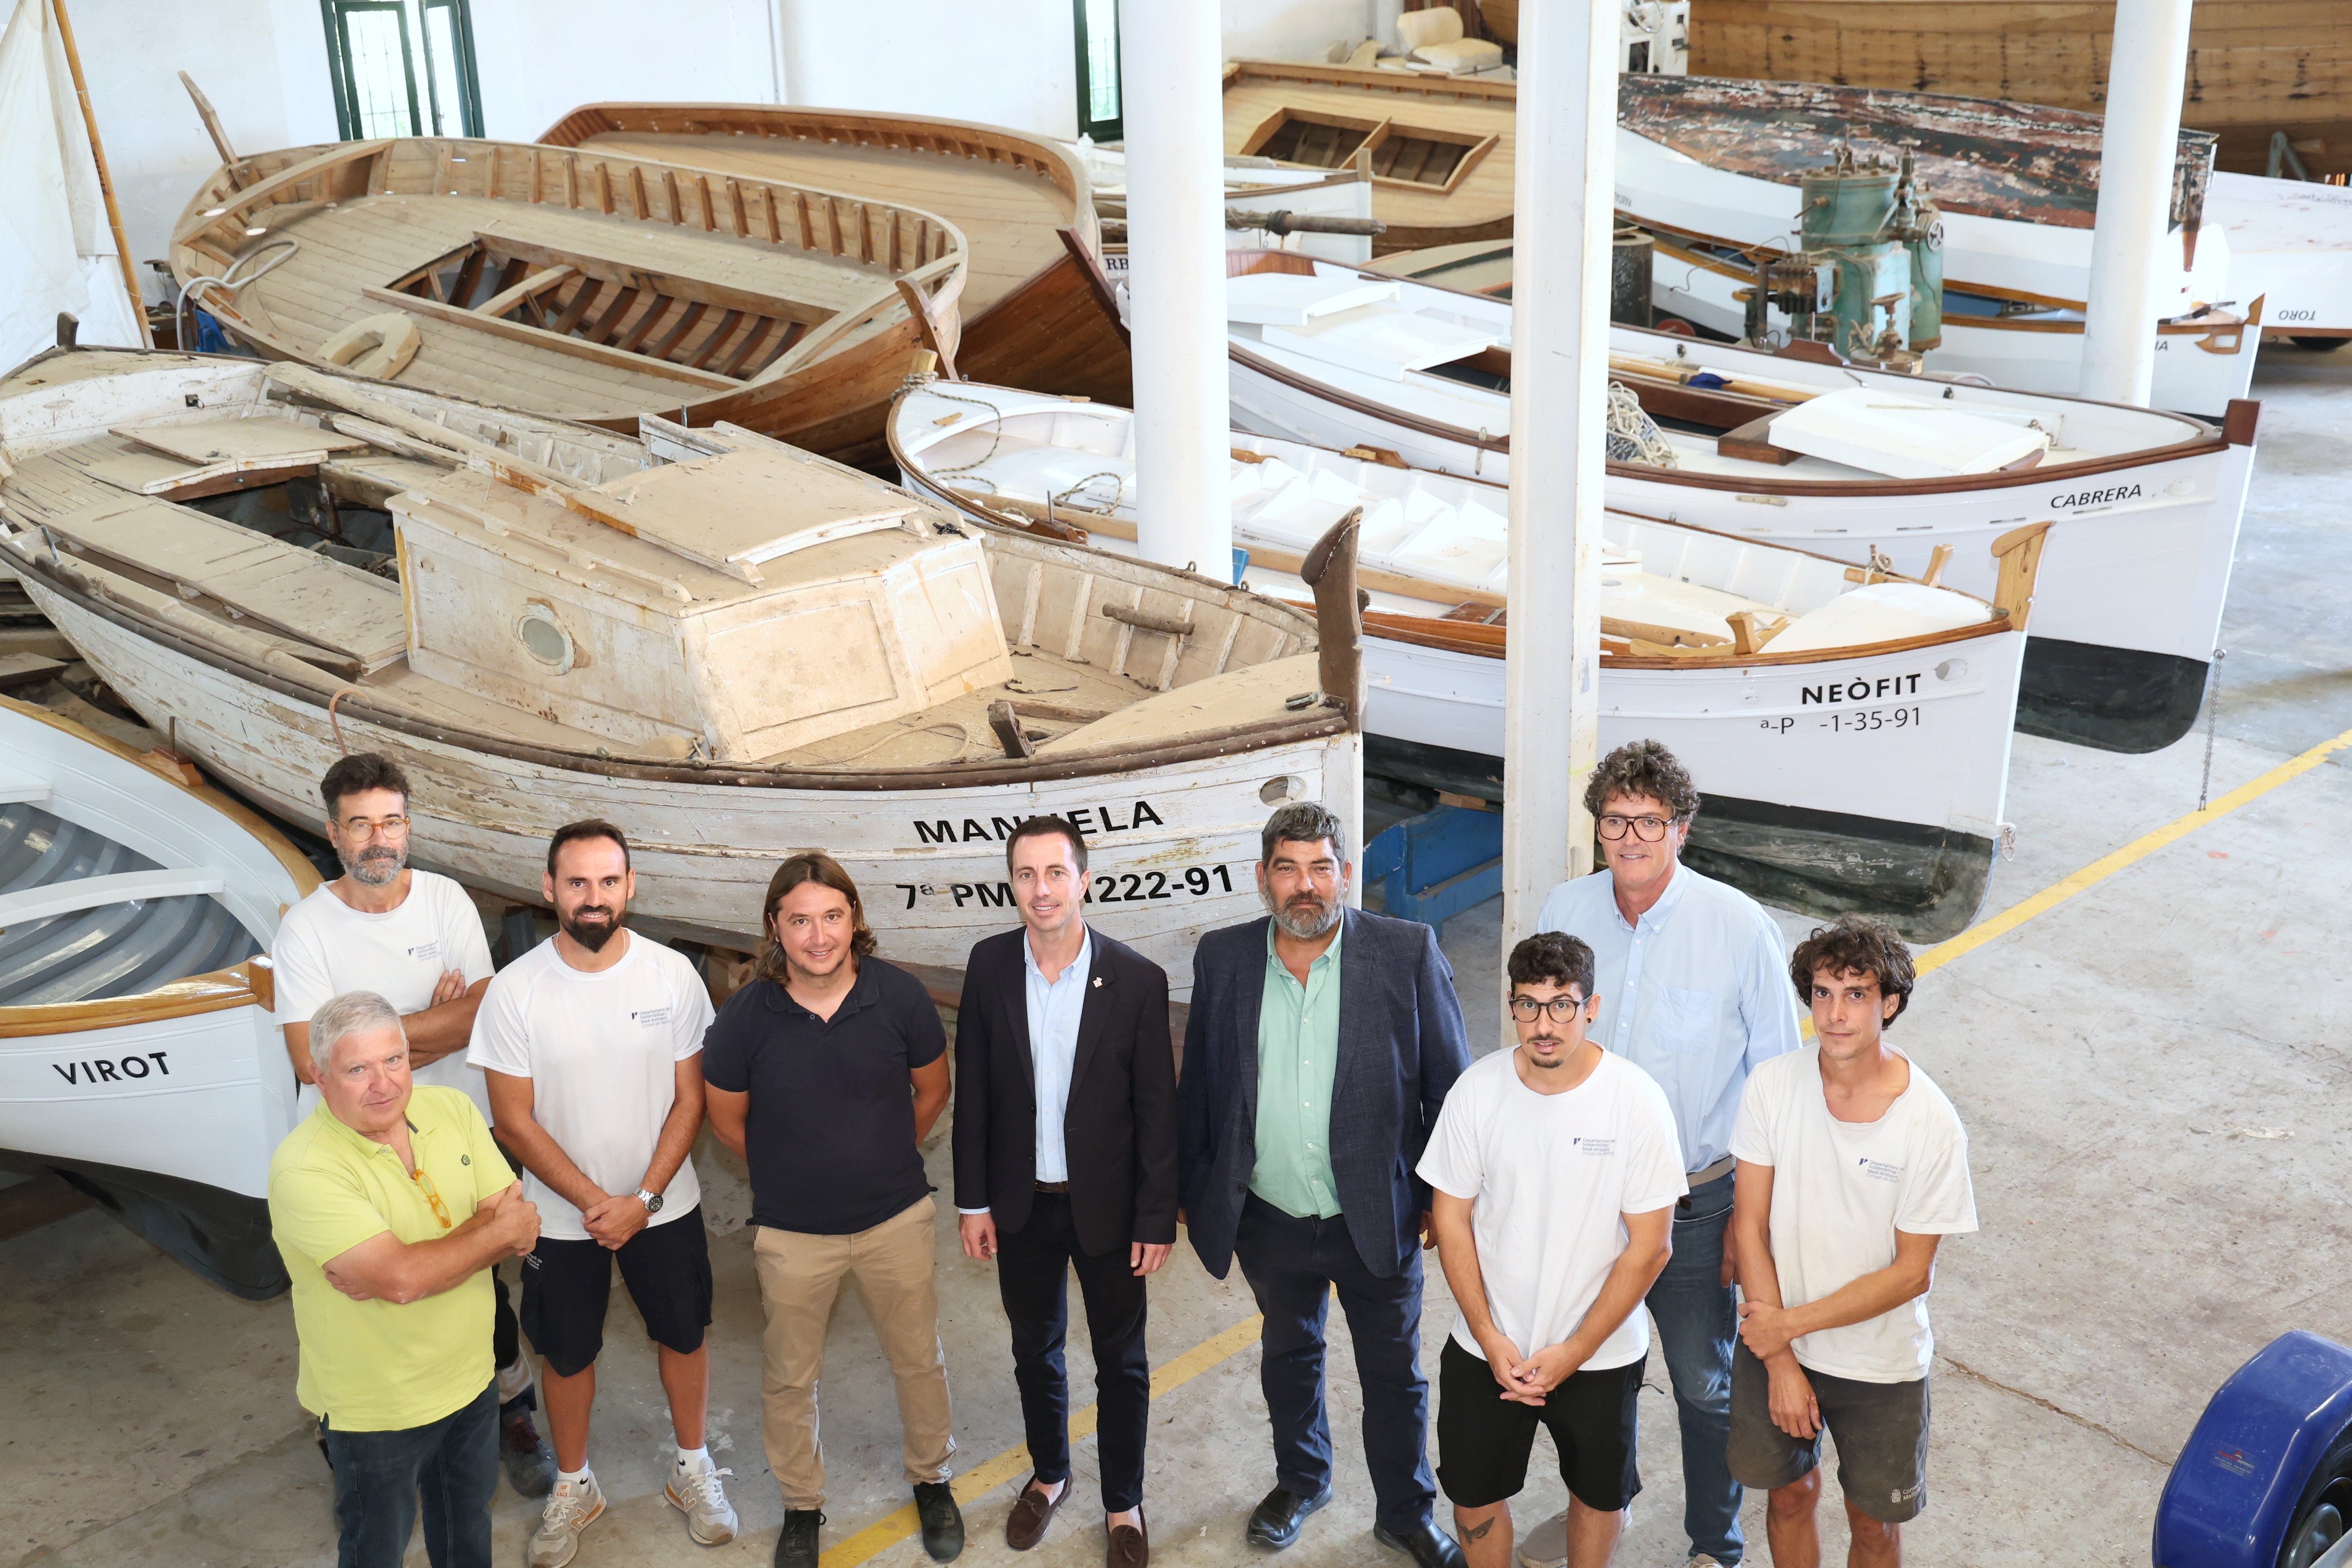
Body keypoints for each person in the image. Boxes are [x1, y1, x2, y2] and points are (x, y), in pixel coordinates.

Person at [1524, 739, 1801, 1568]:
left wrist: (1750, 1229)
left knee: (1702, 1384)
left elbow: (1779, 1090)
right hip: (1586, 1193)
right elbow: (1541, 1044)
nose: (1632, 836)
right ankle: (1608, 1505)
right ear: (1598, 828)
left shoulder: (1739, 927)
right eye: (1616, 820)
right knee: (1595, 1370)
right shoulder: (1564, 909)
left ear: (1682, 828)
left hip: (1696, 1203)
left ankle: (1713, 1544)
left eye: (1650, 820)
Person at [1178, 802, 1472, 1568]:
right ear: (1263, 879)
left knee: (1393, 1374)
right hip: (1269, 1214)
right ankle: (1302, 1482)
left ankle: (1405, 1511)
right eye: (1288, 869)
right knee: (1289, 1354)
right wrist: (1199, 1187)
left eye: (1320, 867)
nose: (1305, 885)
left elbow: (1452, 1091)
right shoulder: (1225, 959)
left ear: (1345, 874)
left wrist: (1445, 1201)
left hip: (1375, 1213)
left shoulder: (1407, 953)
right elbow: (1203, 1086)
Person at [272, 752, 554, 1495]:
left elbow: (489, 1010)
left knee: (477, 1278)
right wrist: (433, 1023)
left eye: (391, 821)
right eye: (360, 824)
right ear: (334, 833)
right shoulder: (306, 930)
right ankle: (354, 1427)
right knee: (359, 1291)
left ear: (409, 825)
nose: (378, 839)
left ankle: (510, 1405)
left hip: (455, 1125)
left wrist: (362, 1043)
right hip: (354, 1147)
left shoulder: (445, 900)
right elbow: (309, 1058)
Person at [468, 821, 731, 1567]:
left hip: (664, 1207)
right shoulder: (516, 991)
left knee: (684, 1334)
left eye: (608, 882)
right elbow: (513, 1122)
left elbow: (690, 1099)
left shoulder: (671, 974)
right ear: (548, 888)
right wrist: (596, 1203)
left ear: (631, 886)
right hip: (559, 1218)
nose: (594, 898)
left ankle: (692, 1468)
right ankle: (576, 1484)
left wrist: (642, 1200)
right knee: (567, 1352)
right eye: (577, 883)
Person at [703, 851, 964, 1568]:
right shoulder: (745, 1018)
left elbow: (932, 1091)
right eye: (799, 920)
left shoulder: (902, 997)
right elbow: (726, 1120)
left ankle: (933, 1478)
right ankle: (801, 1504)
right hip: (792, 1234)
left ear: (855, 920)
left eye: (832, 916)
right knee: (790, 1375)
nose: (818, 936)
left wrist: (883, 1151)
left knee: (918, 1358)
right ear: (774, 927)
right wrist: (790, 1169)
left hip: (897, 1221)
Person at [953, 816, 1178, 1568]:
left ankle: (1124, 1501)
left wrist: (1156, 1216)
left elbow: (1156, 1110)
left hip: (1110, 1210)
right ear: (1011, 883)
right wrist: (973, 1201)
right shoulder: (987, 967)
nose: (1041, 889)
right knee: (1034, 1349)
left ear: (1085, 879)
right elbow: (975, 1097)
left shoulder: (1138, 980)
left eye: (1056, 873)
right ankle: (1050, 1475)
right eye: (1026, 874)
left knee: (1121, 1361)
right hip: (1021, 1207)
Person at [1422, 933, 1684, 1568]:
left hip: (1599, 1353)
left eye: (1562, 1005)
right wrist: (1488, 1335)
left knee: (1598, 1497)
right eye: (1529, 1005)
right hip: (1489, 1347)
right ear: (1510, 1006)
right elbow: (1450, 1219)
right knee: (1472, 1498)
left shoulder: (1637, 1101)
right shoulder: (1477, 1092)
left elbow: (1650, 1248)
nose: (1545, 1024)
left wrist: (1574, 1350)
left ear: (1591, 1006)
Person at [1728, 916, 1978, 1568]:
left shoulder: (1931, 1124)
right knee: (1787, 1499)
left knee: (1873, 1527)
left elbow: (1910, 1275)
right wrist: (1781, 1357)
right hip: (1775, 1342)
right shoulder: (1772, 1086)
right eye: (1822, 993)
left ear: (1889, 1002)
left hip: (1880, 1363)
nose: (1835, 1014)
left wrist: (1783, 1327)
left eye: (1856, 994)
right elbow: (1749, 1226)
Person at [267, 991, 541, 1568]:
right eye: (357, 1069)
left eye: (394, 1060)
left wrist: (417, 1265)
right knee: (375, 1550)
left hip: (470, 1379)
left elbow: (520, 1228)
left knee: (467, 1533)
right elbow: (403, 1279)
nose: (383, 1083)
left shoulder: (452, 1110)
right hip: (377, 1408)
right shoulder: (304, 1168)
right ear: (319, 1076)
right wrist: (470, 1242)